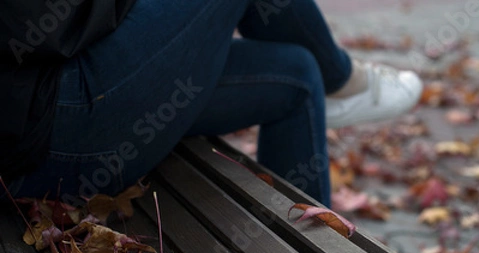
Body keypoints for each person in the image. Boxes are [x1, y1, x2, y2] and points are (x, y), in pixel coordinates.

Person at [0, 0, 422, 208]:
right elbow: (35, 24)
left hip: (46, 110)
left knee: (294, 72)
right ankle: (344, 81)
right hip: (42, 131)